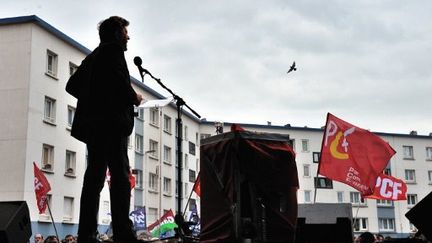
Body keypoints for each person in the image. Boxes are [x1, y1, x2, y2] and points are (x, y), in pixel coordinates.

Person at [66, 16, 143, 243]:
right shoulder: (113, 52)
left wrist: (94, 98)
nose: (129, 37)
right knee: (120, 178)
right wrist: (134, 97)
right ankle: (123, 232)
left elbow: (72, 85)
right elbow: (120, 84)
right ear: (118, 33)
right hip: (112, 126)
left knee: (93, 180)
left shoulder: (93, 57)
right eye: (126, 32)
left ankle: (86, 234)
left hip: (95, 129)